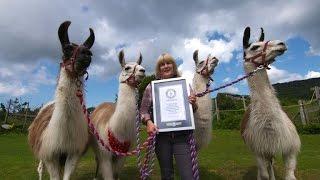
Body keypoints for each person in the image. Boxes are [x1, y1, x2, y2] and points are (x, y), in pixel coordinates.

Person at [140, 53, 198, 180]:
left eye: (168, 63)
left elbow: (192, 110)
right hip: (161, 138)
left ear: (173, 66)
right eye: (162, 64)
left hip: (182, 137)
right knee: (166, 175)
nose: (165, 66)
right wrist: (149, 122)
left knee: (188, 175)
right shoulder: (151, 87)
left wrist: (193, 104)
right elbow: (143, 111)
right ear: (158, 68)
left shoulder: (184, 84)